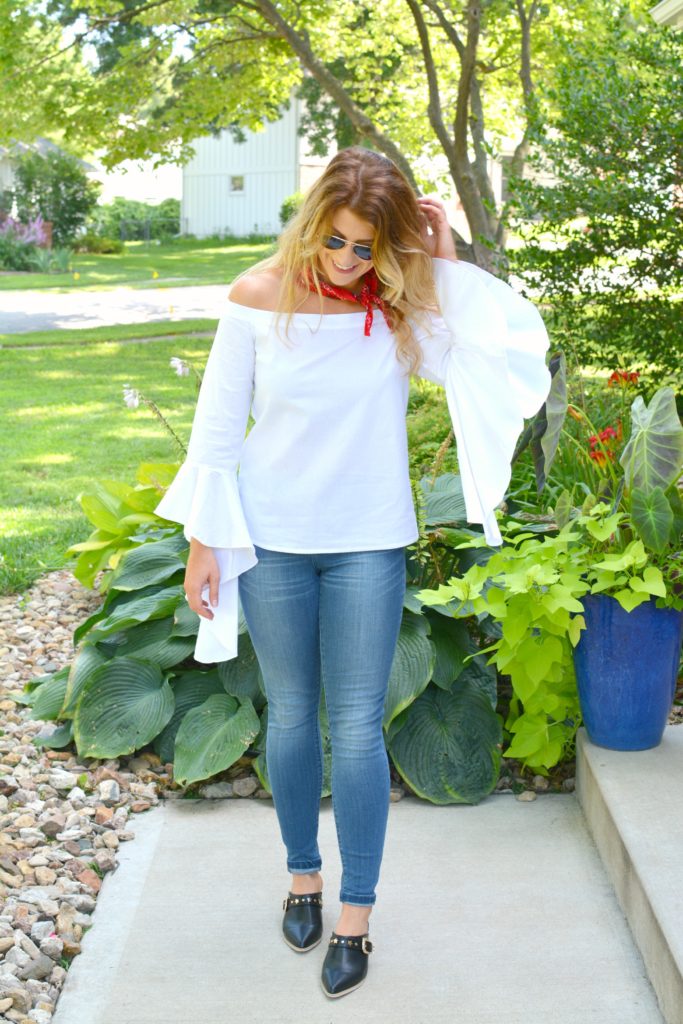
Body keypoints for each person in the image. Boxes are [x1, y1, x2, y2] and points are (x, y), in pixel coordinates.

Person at [153, 145, 552, 999]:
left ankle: (356, 915)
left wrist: (438, 263)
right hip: (272, 539)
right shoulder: (257, 297)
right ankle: (303, 877)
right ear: (312, 224)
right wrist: (203, 542)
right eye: (333, 241)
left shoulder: (404, 307)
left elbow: (466, 370)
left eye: (366, 248)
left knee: (359, 725)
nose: (345, 261)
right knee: (293, 715)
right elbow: (218, 429)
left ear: (389, 244)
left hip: (370, 537)